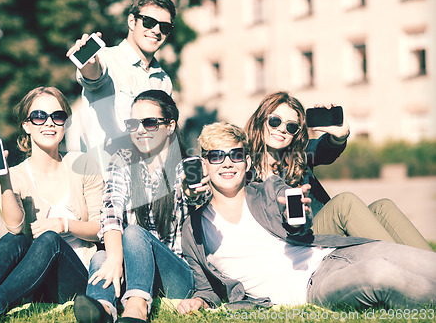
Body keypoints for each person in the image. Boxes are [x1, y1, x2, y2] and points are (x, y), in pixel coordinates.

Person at [177, 122, 436, 314]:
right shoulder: (194, 229)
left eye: (235, 155)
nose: (227, 163)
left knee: (425, 263)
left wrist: (295, 217)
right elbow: (206, 288)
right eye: (216, 156)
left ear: (245, 161)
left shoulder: (268, 190)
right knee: (380, 272)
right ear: (204, 164)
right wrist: (199, 301)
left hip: (336, 253)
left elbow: (299, 226)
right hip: (312, 285)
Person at [0, 86, 104, 323]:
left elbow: (100, 229)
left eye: (57, 116)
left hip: (75, 279)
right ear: (26, 125)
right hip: (32, 280)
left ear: (65, 123)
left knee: (50, 239)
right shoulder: (13, 175)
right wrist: (4, 180)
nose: (49, 123)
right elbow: (15, 229)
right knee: (15, 240)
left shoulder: (83, 164)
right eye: (39, 116)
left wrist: (63, 224)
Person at [244, 91, 432, 251]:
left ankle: (431, 271)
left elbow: (323, 150)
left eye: (291, 126)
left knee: (383, 207)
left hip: (323, 226)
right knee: (345, 203)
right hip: (296, 240)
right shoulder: (243, 165)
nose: (282, 129)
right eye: (275, 121)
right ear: (260, 120)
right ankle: (402, 271)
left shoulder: (299, 157)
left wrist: (338, 137)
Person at [73, 90, 193, 323]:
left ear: (170, 126)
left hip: (177, 275)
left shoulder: (185, 168)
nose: (139, 130)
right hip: (136, 270)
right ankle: (102, 310)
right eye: (132, 123)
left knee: (134, 233)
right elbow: (110, 212)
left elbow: (199, 198)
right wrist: (114, 259)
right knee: (101, 258)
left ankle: (137, 310)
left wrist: (194, 191)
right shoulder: (123, 159)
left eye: (149, 123)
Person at [65, 0, 176, 178]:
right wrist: (88, 63)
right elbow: (94, 75)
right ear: (131, 21)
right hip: (103, 182)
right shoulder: (106, 58)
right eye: (149, 22)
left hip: (147, 186)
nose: (156, 30)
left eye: (164, 27)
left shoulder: (164, 81)